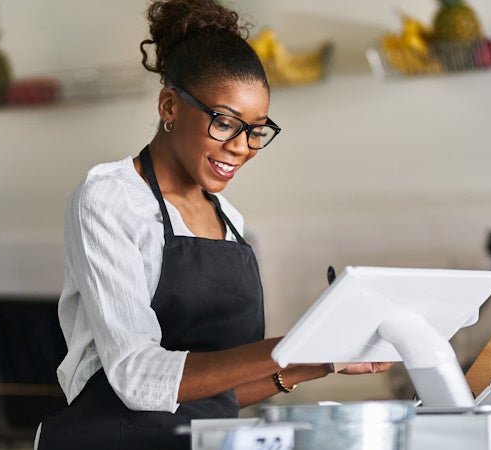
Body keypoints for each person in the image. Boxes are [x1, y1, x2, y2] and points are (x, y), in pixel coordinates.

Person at [35, 1, 391, 449]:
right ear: (169, 106)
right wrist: (297, 344)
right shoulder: (110, 199)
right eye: (225, 122)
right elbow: (136, 377)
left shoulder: (230, 221)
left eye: (256, 130)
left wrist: (325, 359)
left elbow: (216, 395)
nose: (242, 147)